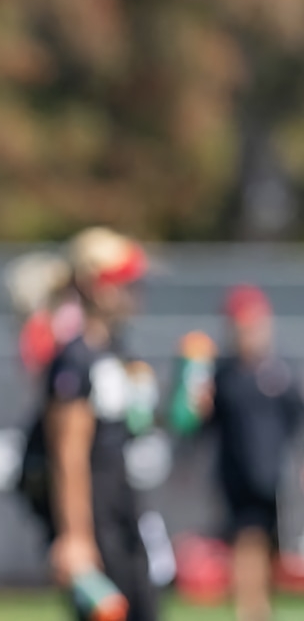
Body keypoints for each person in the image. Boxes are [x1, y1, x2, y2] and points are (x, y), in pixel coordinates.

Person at [36, 227, 158, 621]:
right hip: (97, 520)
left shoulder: (120, 352)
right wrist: (76, 538)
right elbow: (68, 453)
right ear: (96, 286)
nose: (134, 292)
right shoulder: (76, 359)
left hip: (127, 513)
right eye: (125, 283)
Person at [174, 285, 302, 621]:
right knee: (247, 538)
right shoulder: (223, 375)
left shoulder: (279, 375)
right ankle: (251, 610)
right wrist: (195, 406)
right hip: (237, 474)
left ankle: (262, 606)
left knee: (274, 546)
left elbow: (295, 422)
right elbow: (197, 426)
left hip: (275, 477)